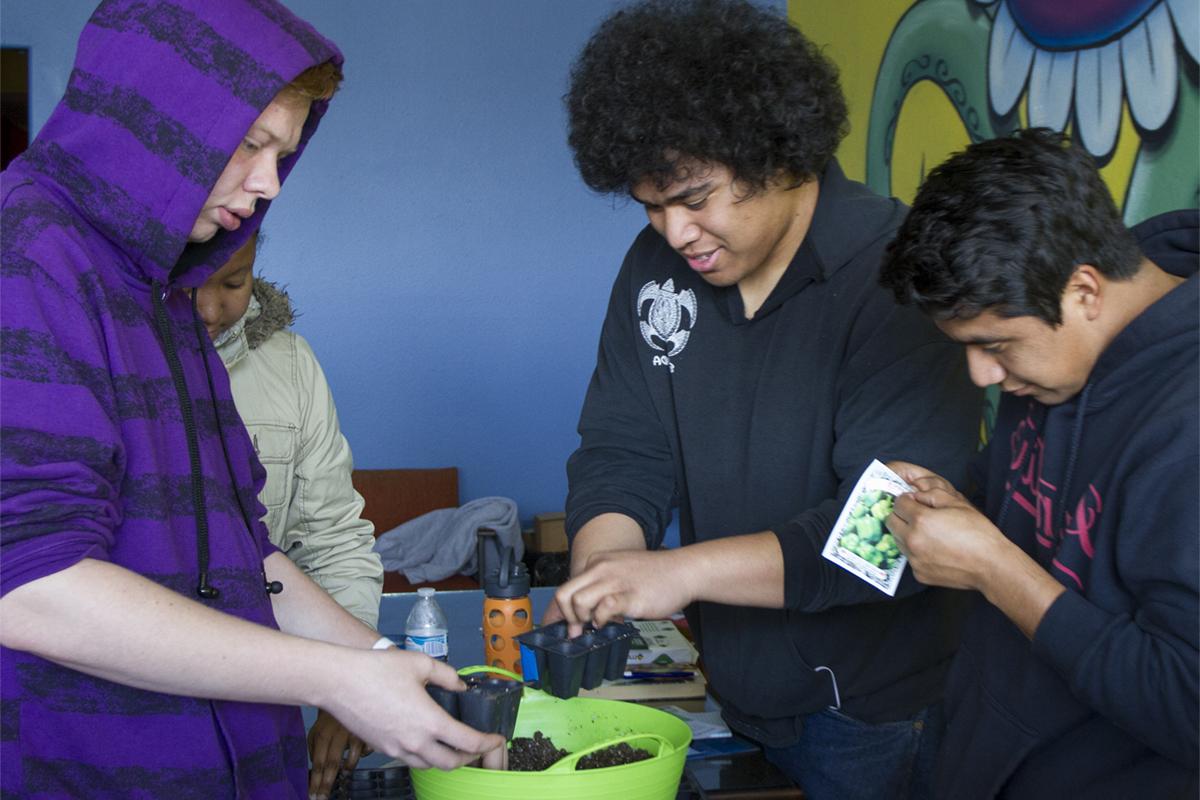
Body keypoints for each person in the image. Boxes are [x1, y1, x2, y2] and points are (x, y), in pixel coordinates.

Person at [0, 1, 502, 796]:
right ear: (157, 111)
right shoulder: (28, 257)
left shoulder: (166, 282)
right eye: (249, 144)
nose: (269, 183)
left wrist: (375, 664)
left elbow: (247, 551)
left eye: (283, 154)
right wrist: (329, 681)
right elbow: (28, 585)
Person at [549, 1, 981, 796]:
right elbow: (623, 446)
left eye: (696, 197)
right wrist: (609, 564)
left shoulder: (898, 275)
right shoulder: (655, 269)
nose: (674, 232)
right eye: (651, 204)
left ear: (780, 154)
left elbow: (883, 534)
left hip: (871, 715)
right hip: (726, 685)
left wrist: (677, 573)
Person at [878, 128, 1199, 798]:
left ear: (1084, 290)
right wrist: (959, 503)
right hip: (980, 750)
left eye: (996, 344)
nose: (982, 374)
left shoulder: (1184, 425)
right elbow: (1027, 497)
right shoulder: (1054, 362)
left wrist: (995, 569)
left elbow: (1185, 704)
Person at [195, 230, 384, 797]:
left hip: (258, 708)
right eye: (191, 284)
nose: (210, 308)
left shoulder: (292, 367)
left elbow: (330, 541)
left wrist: (355, 680)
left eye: (234, 282)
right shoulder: (100, 361)